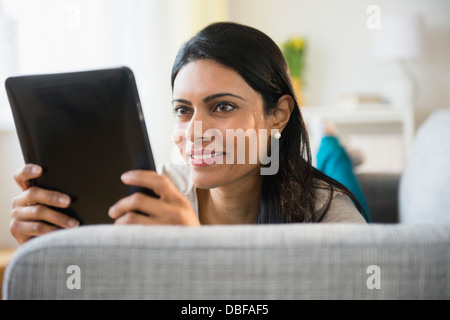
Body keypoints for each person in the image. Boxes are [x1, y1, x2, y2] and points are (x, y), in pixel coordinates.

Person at [10, 22, 367, 245]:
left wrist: (194, 250)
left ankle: (331, 143)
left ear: (279, 114)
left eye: (223, 106)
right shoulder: (150, 193)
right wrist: (44, 250)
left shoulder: (330, 216)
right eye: (183, 110)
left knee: (335, 161)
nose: (194, 132)